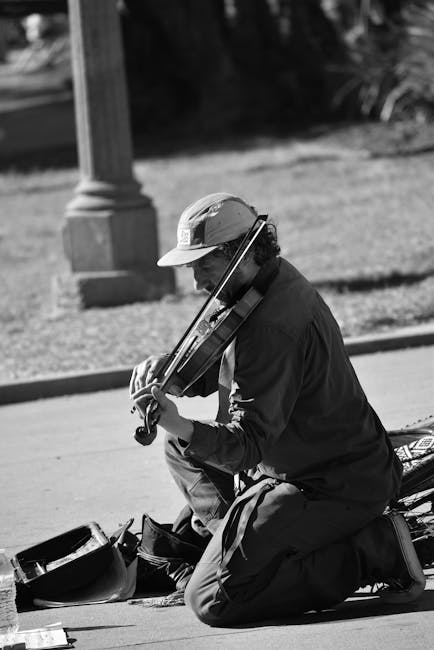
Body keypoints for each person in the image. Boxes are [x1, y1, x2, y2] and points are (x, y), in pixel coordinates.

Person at [130, 192, 425, 626]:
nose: (196, 283)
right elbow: (228, 368)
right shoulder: (262, 282)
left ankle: (371, 549)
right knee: (180, 447)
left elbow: (247, 445)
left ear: (239, 254)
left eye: (203, 265)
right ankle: (241, 544)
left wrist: (175, 419)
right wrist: (168, 371)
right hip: (294, 464)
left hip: (327, 483)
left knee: (211, 601)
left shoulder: (271, 326)